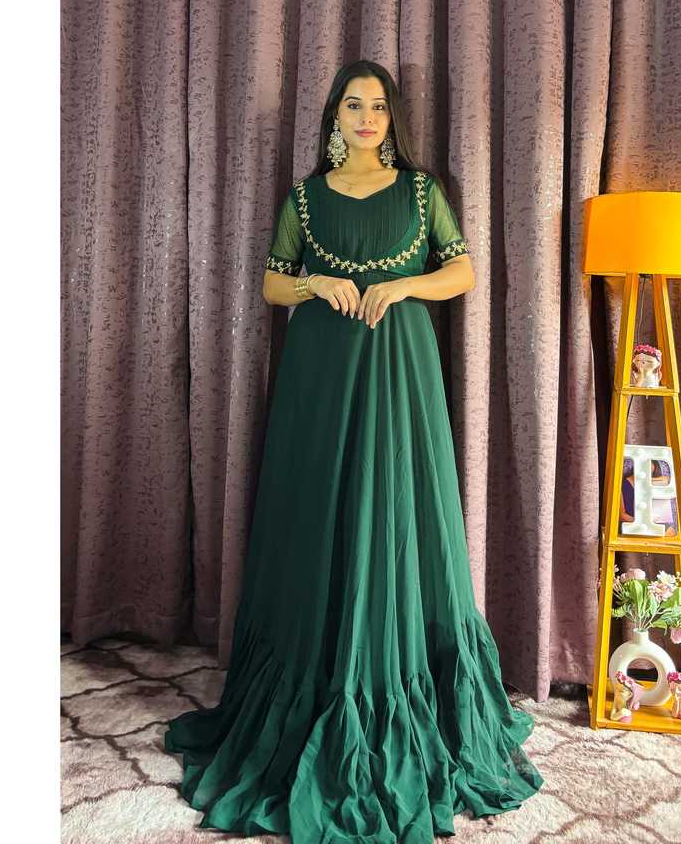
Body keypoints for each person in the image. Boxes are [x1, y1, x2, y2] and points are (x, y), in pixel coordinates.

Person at [163, 60, 544, 842]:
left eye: (377, 106)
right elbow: (273, 283)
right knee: (320, 509)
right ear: (334, 116)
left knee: (402, 511)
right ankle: (314, 678)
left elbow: (462, 271)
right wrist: (315, 286)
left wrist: (403, 286)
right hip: (320, 374)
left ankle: (399, 686)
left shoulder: (422, 192)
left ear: (391, 117)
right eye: (352, 104)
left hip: (402, 371)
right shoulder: (304, 198)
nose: (366, 117)